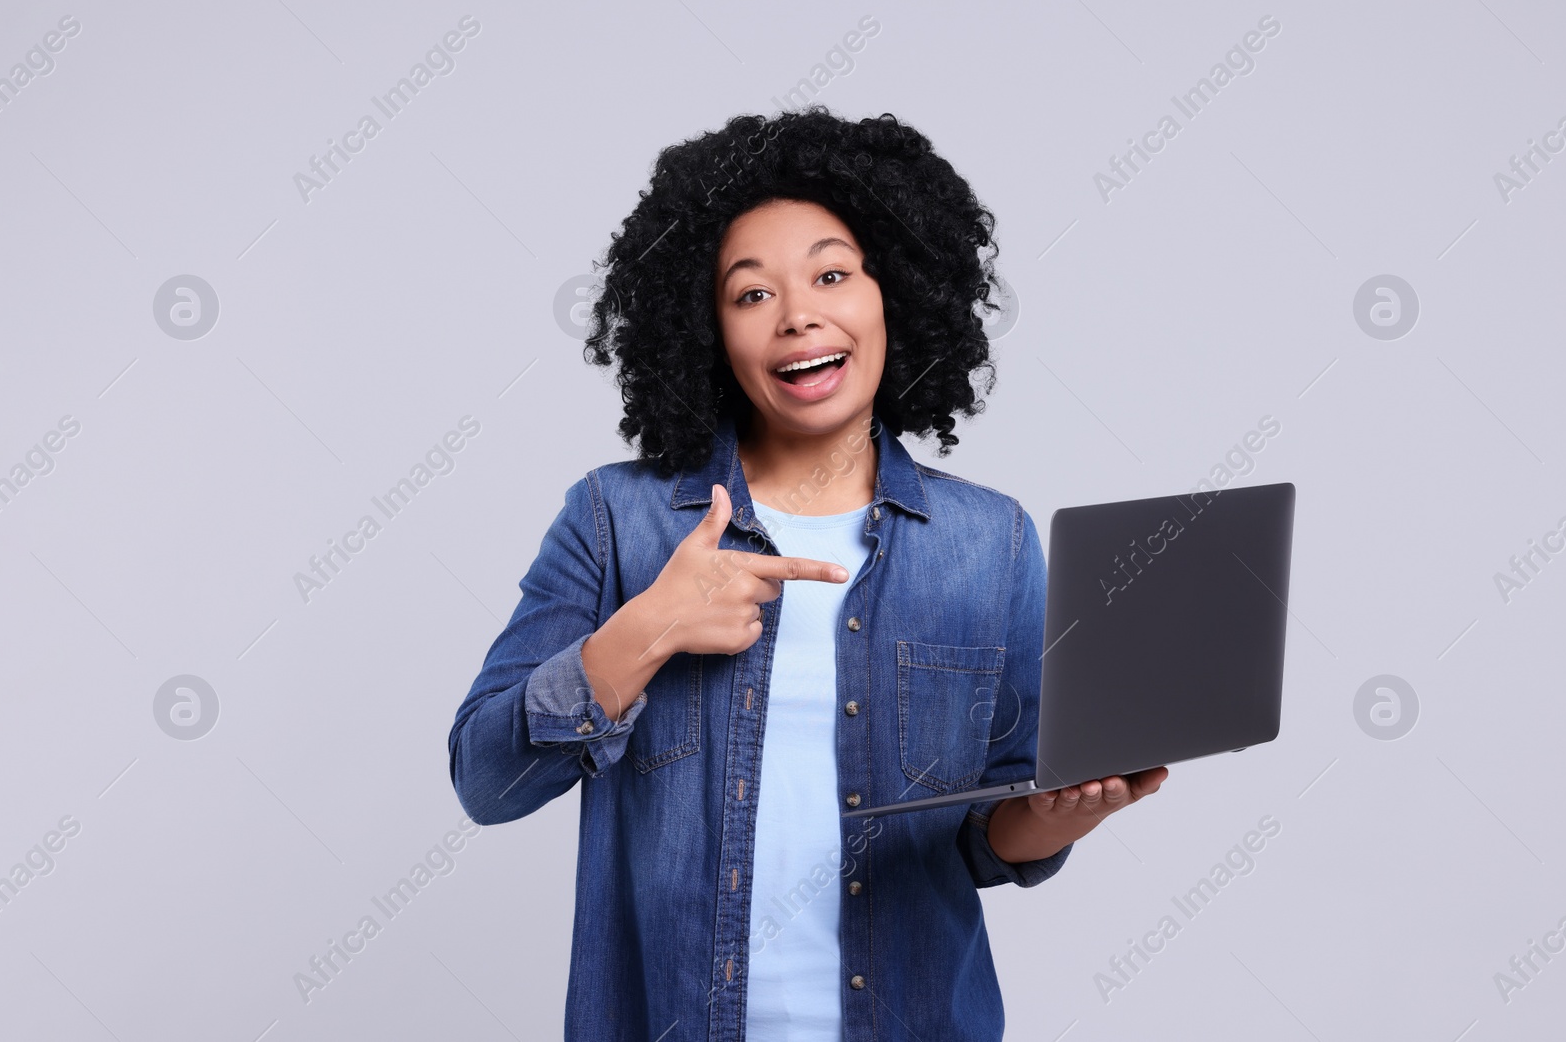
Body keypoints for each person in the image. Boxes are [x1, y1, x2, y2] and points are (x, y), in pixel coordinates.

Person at [447, 105, 1167, 1041]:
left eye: (832, 274)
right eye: (751, 295)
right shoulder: (614, 518)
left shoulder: (990, 542)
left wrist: (1064, 814)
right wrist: (649, 626)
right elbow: (486, 781)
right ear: (706, 329)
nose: (798, 316)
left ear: (893, 295)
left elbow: (991, 836)